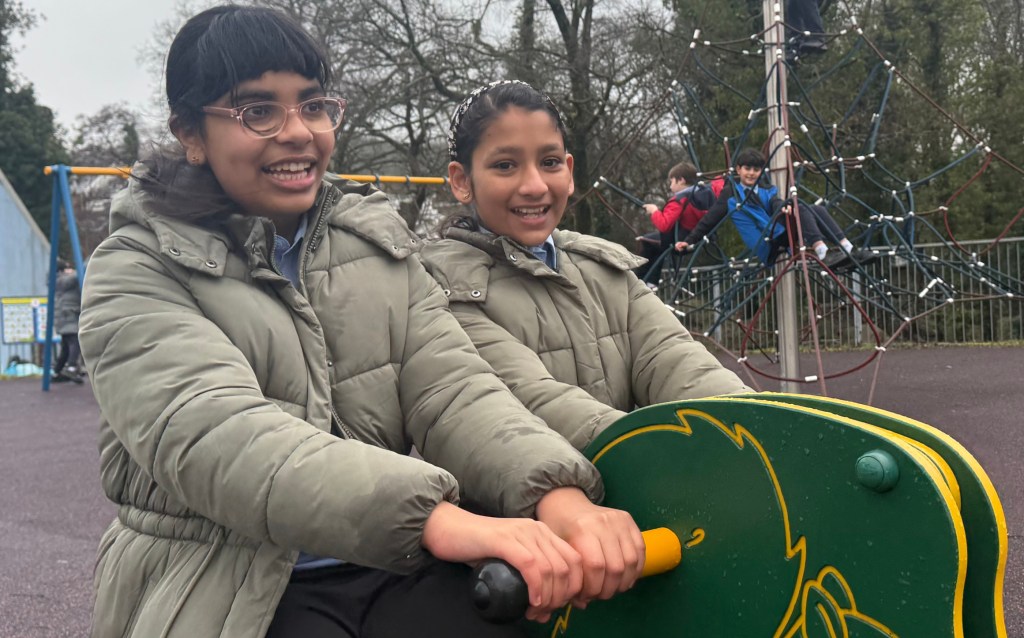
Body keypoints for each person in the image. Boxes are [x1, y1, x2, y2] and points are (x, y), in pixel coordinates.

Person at [78, 8, 644, 638]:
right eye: (257, 111)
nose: (298, 133)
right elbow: (220, 438)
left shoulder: (375, 248)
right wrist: (447, 521)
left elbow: (455, 390)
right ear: (190, 133)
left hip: (387, 561)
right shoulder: (135, 270)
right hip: (228, 576)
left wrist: (557, 497)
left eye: (313, 106)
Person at [419, 80, 751, 452]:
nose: (535, 185)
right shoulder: (444, 292)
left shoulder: (604, 271)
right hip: (526, 506)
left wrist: (752, 424)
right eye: (505, 165)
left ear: (570, 170)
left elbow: (674, 360)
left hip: (630, 492)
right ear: (462, 181)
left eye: (549, 162)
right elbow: (532, 400)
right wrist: (660, 456)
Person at [674, 147, 867, 269]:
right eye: (747, 169)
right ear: (739, 169)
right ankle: (821, 250)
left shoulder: (766, 188)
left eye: (756, 170)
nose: (751, 173)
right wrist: (689, 240)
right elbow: (710, 219)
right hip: (767, 242)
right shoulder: (731, 194)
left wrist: (783, 207)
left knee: (815, 209)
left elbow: (775, 202)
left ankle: (846, 246)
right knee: (799, 206)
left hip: (779, 233)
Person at [634, 162, 722, 287]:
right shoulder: (708, 191)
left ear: (681, 180)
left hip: (680, 241)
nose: (670, 187)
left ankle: (643, 283)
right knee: (655, 242)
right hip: (701, 239)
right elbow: (720, 182)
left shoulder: (680, 199)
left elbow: (664, 225)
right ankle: (650, 282)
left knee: (647, 241)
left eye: (672, 182)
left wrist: (654, 211)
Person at [52, 259, 83, 384]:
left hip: (66, 315)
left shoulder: (61, 281)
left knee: (66, 347)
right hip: (68, 316)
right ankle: (71, 367)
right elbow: (78, 275)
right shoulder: (63, 280)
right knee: (75, 341)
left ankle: (57, 371)